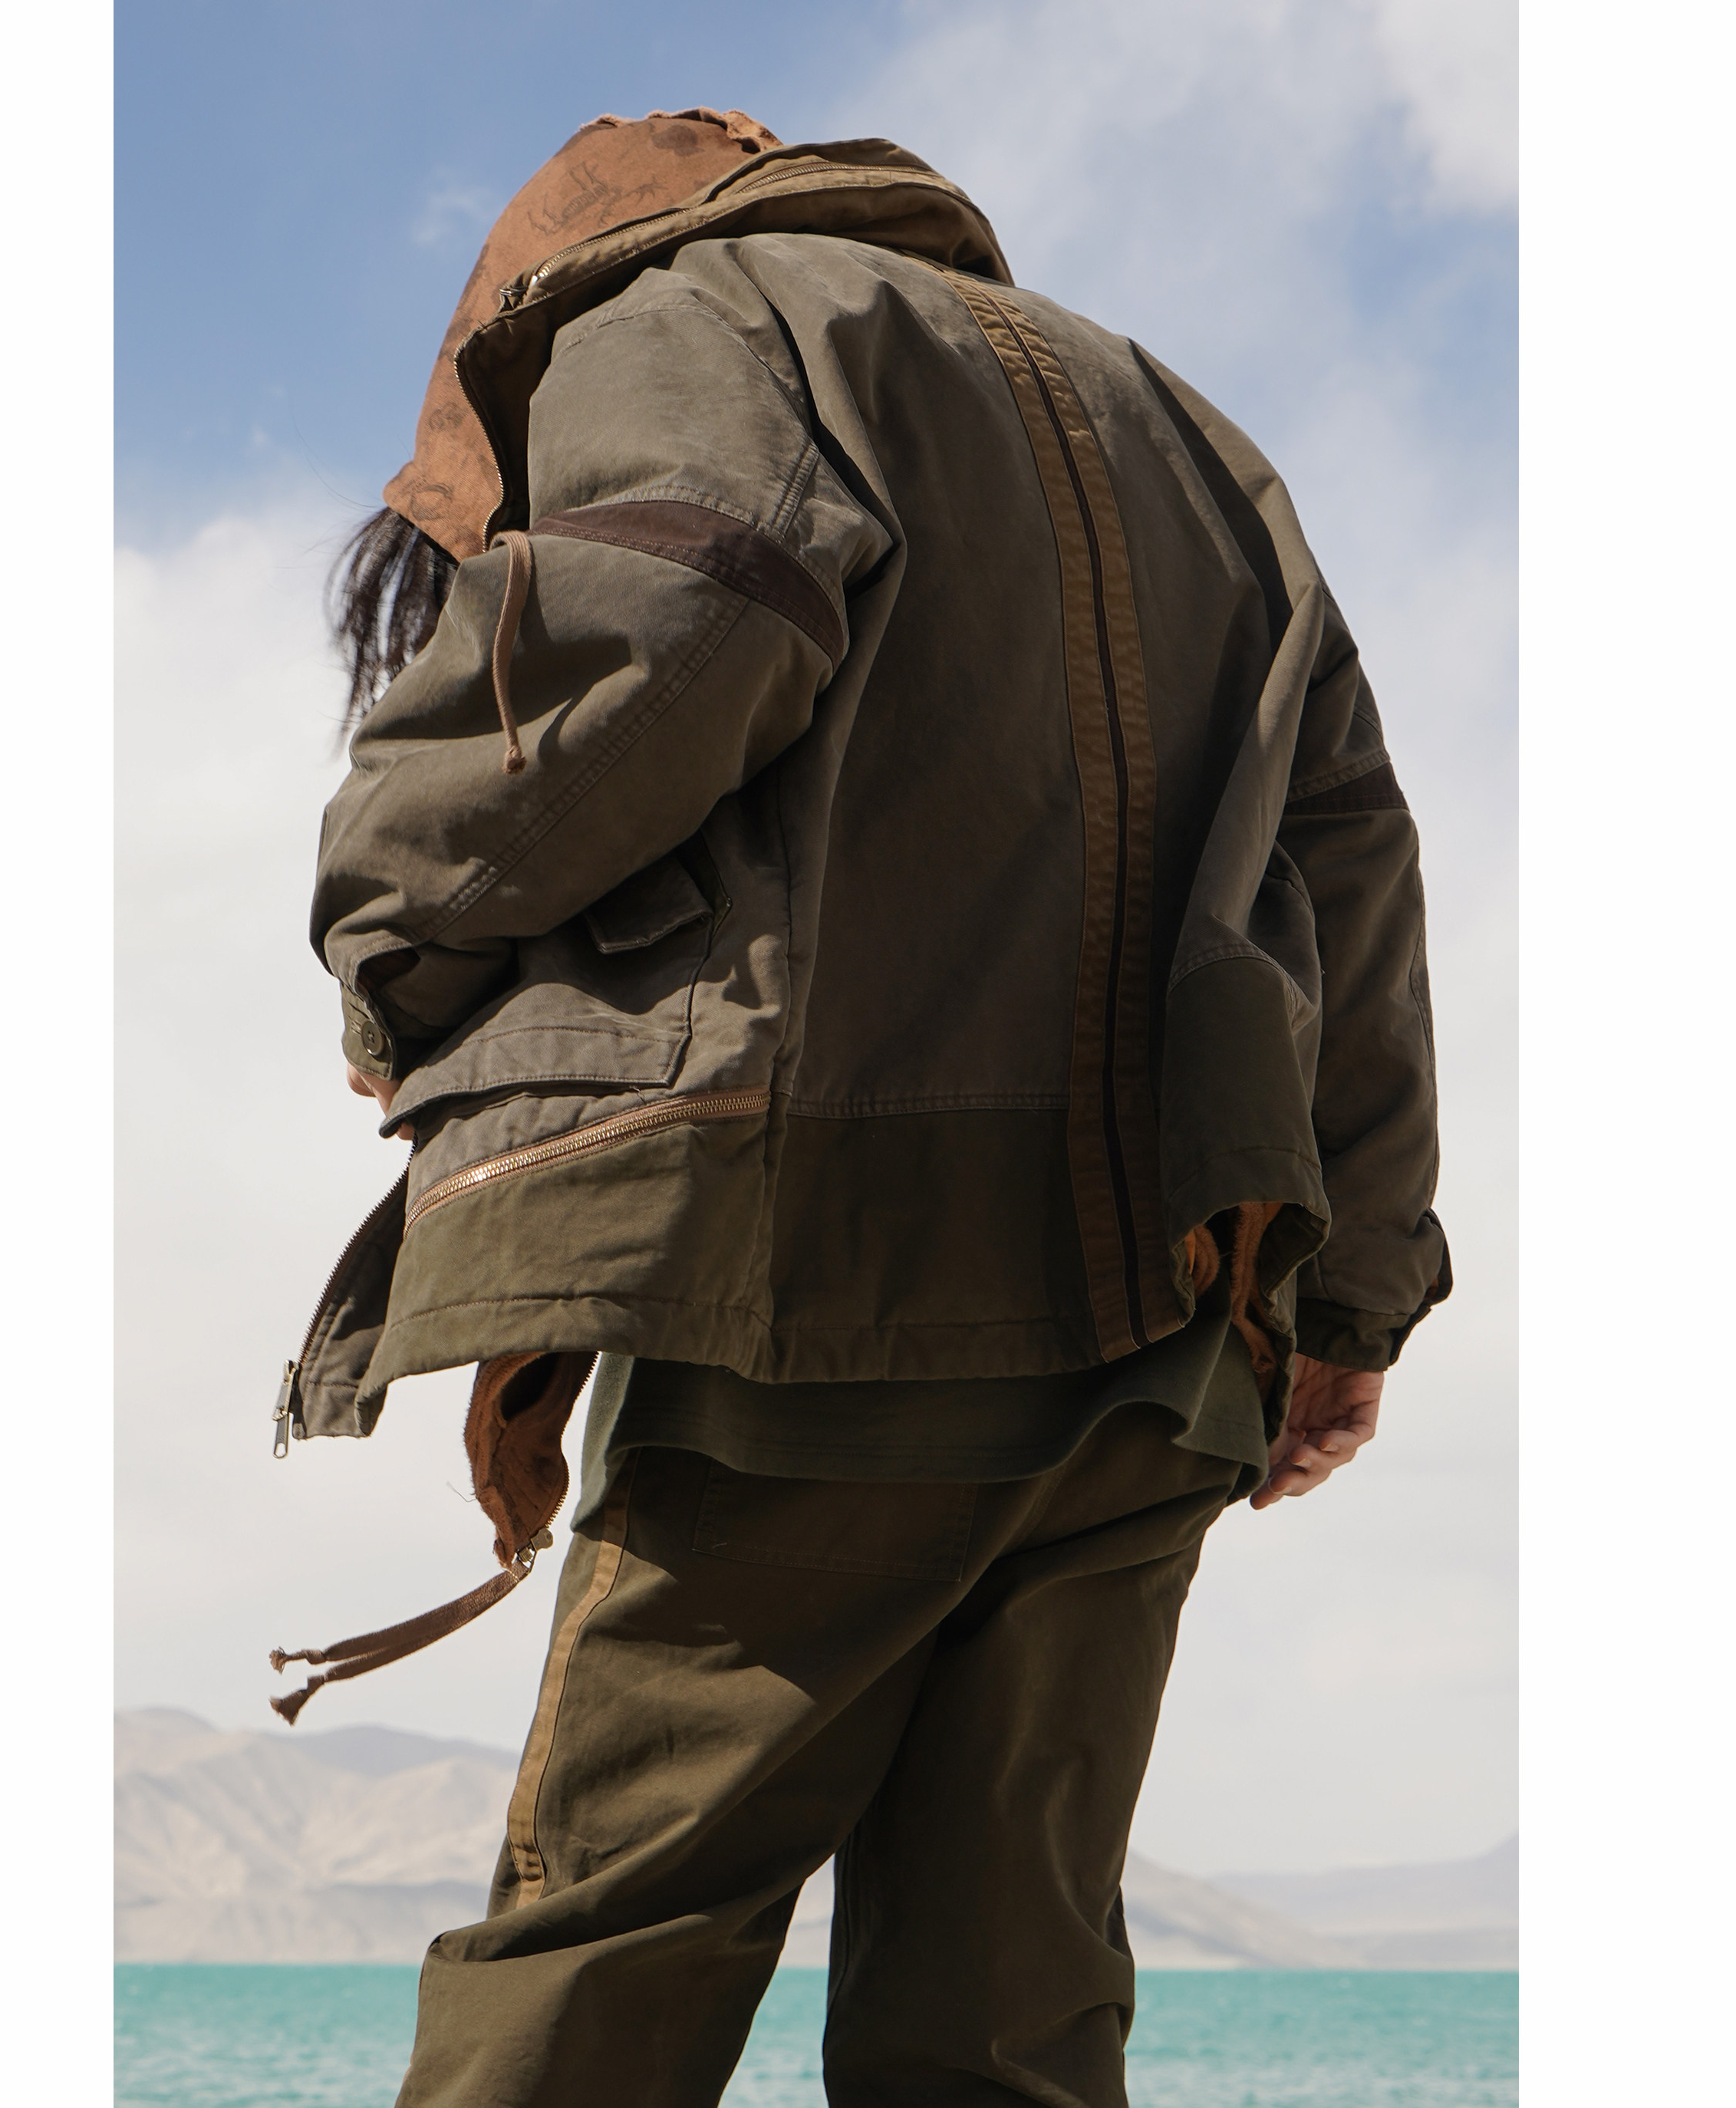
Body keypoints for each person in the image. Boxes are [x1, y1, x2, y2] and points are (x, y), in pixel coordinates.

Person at [274, 107, 1449, 2108]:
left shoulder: (706, 315)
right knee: (1008, 2019)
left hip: (823, 1274)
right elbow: (1349, 860)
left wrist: (394, 940)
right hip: (1170, 1314)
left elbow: (665, 633)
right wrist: (1351, 1298)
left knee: (601, 1975)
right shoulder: (1187, 429)